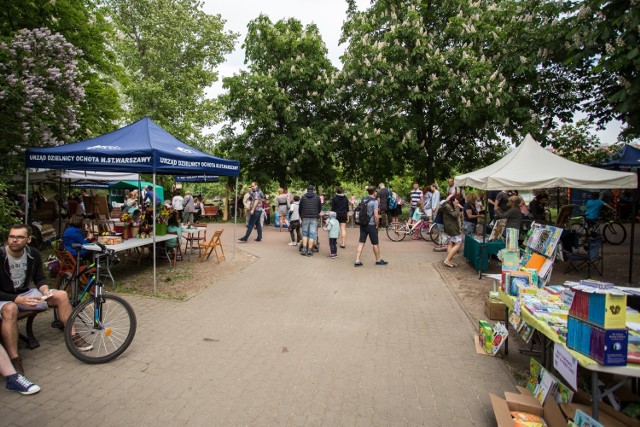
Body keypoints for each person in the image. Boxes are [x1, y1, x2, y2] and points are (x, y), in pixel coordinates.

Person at [1, 224, 93, 375]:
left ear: (28, 239)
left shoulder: (33, 254)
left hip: (25, 293)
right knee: (11, 309)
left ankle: (73, 335)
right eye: (12, 237)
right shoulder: (1, 255)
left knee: (61, 295)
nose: (14, 240)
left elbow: (39, 278)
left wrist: (45, 290)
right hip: (5, 297)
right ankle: (14, 359)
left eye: (19, 237)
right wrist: (16, 299)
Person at [355, 186, 387, 267]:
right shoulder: (375, 202)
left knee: (361, 242)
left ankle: (357, 260)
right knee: (375, 243)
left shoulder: (363, 199)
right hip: (371, 225)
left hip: (363, 224)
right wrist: (377, 224)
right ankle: (378, 260)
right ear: (374, 192)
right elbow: (376, 215)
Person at [298, 185, 322, 256]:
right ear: (313, 190)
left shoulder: (303, 197)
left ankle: (304, 249)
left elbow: (300, 208)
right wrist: (317, 214)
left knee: (305, 233)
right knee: (312, 234)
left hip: (305, 217)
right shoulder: (317, 197)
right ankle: (309, 250)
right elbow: (319, 208)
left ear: (307, 190)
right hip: (314, 217)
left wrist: (301, 216)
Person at [442, 194, 464, 268]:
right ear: (455, 200)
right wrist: (457, 206)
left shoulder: (447, 204)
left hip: (449, 227)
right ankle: (447, 259)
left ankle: (450, 260)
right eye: (458, 201)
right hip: (452, 227)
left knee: (450, 243)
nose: (459, 203)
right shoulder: (448, 206)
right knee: (459, 243)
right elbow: (455, 215)